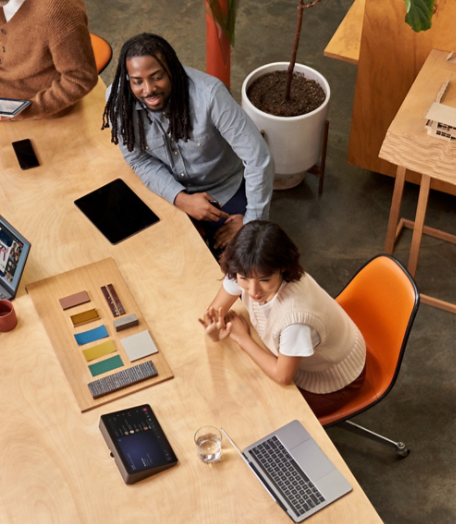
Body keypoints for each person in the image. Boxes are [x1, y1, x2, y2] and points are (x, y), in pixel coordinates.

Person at [102, 33, 273, 252]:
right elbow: (138, 160)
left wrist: (251, 225)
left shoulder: (210, 96)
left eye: (156, 77)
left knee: (242, 263)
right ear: (128, 79)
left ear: (172, 69)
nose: (148, 89)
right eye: (137, 81)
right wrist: (181, 199)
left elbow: (258, 159)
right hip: (169, 191)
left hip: (224, 190)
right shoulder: (119, 101)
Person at [199, 221, 366, 417]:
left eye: (264, 280)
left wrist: (242, 338)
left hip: (332, 381)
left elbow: (282, 376)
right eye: (244, 278)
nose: (253, 291)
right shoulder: (248, 268)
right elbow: (215, 312)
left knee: (255, 412)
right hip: (302, 357)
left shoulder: (296, 320)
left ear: (283, 269)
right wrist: (214, 331)